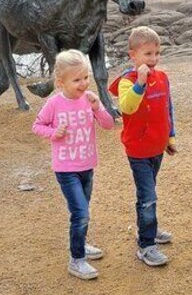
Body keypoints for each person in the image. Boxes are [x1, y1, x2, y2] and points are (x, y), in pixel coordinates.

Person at [32, 49, 115, 280]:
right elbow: (37, 126)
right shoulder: (54, 103)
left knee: (83, 211)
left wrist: (98, 107)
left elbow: (108, 124)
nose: (84, 83)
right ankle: (76, 260)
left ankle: (81, 244)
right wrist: (53, 133)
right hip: (66, 169)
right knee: (81, 213)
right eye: (77, 80)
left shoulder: (89, 99)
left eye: (86, 77)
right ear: (61, 82)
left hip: (87, 166)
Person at [109, 26, 176, 267]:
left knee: (150, 191)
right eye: (148, 54)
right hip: (138, 150)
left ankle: (149, 228)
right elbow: (127, 107)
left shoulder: (162, 77)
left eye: (157, 53)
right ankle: (146, 245)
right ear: (133, 55)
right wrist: (140, 83)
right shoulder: (127, 82)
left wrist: (170, 137)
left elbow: (167, 108)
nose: (153, 59)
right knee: (147, 196)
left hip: (157, 147)